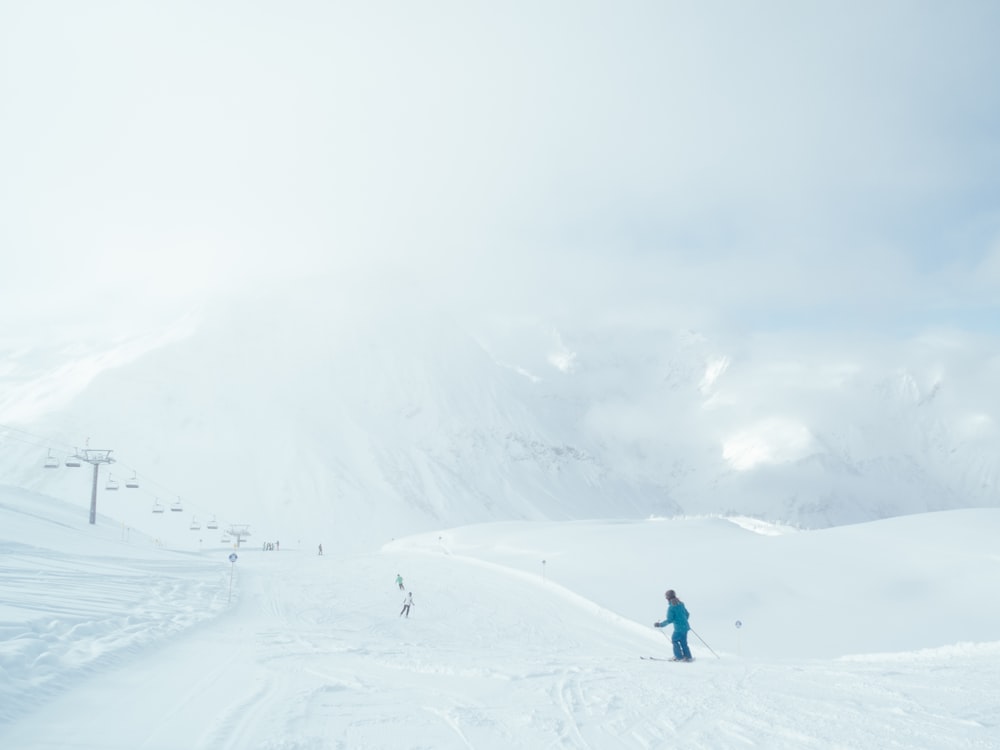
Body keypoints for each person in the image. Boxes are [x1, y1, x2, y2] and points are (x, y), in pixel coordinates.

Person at [654, 589, 692, 661]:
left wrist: (660, 625)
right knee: (683, 642)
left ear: (668, 597)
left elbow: (669, 620)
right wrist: (684, 621)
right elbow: (687, 614)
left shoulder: (671, 607)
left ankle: (679, 657)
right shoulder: (681, 604)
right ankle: (688, 656)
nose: (666, 598)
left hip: (679, 628)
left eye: (666, 597)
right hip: (686, 627)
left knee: (674, 640)